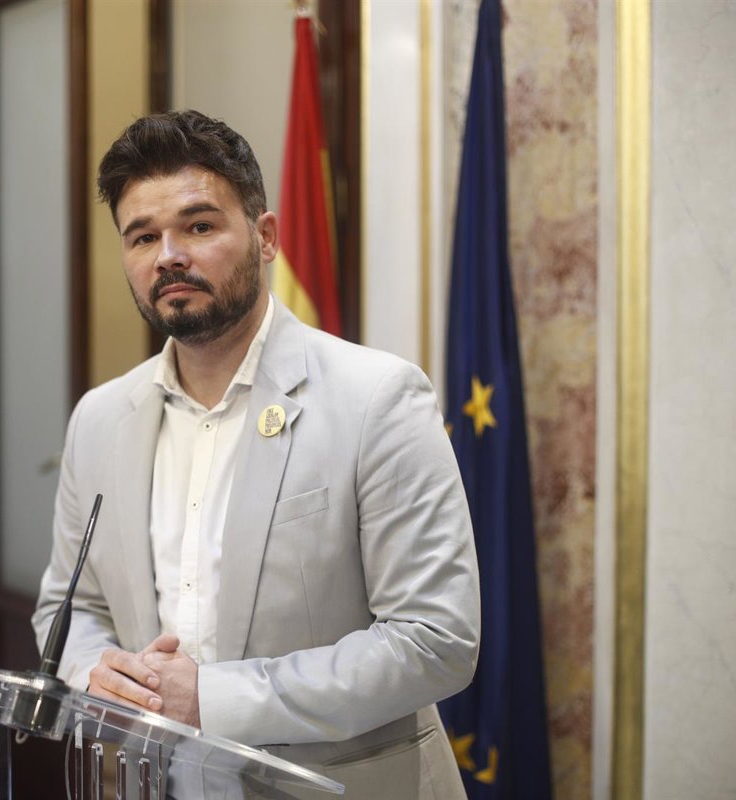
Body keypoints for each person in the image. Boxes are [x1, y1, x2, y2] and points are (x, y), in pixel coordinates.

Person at [32, 109, 479, 798]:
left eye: (198, 226)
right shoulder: (99, 419)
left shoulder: (377, 399)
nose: (168, 256)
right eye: (143, 237)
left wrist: (212, 699)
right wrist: (95, 673)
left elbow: (435, 641)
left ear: (265, 237)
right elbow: (72, 609)